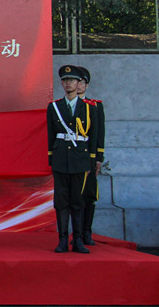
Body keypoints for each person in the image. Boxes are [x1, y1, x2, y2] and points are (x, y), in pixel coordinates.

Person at [47, 65, 98, 254]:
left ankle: (78, 240)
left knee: (77, 200)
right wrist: (51, 158)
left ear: (79, 83)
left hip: (80, 159)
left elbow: (94, 136)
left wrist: (92, 160)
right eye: (65, 80)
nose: (68, 83)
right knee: (61, 201)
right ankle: (62, 240)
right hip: (61, 157)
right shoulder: (54, 107)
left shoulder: (90, 108)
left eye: (72, 80)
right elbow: (51, 135)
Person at [77, 66, 105, 246]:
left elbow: (99, 133)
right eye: (76, 81)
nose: (78, 85)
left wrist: (98, 158)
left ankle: (87, 232)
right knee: (74, 197)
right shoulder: (63, 106)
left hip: (89, 157)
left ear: (86, 85)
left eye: (82, 82)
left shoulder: (95, 105)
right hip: (72, 158)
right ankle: (77, 233)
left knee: (89, 195)